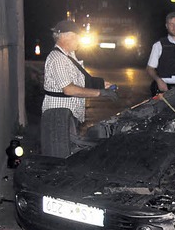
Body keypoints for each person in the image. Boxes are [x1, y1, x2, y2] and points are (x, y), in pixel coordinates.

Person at [42, 20, 118, 156]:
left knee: (70, 147)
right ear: (65, 36)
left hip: (68, 112)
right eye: (77, 37)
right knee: (61, 154)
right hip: (59, 113)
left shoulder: (69, 55)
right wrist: (100, 93)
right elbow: (69, 89)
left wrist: (101, 84)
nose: (79, 40)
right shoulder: (58, 59)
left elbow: (79, 79)